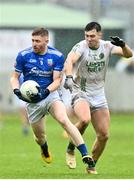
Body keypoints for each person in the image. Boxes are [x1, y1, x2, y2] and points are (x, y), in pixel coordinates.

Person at [10, 27, 97, 174]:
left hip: (50, 95)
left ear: (46, 41)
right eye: (32, 40)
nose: (34, 44)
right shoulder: (23, 55)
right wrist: (16, 90)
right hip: (33, 101)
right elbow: (14, 77)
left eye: (37, 41)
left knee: (64, 120)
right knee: (40, 137)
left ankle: (85, 154)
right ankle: (44, 148)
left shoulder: (56, 56)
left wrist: (46, 91)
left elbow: (57, 80)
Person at [63, 22, 133, 171]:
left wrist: (123, 45)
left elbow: (129, 55)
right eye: (87, 36)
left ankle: (91, 164)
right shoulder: (81, 46)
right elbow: (70, 60)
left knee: (104, 135)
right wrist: (69, 77)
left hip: (99, 94)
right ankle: (70, 148)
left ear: (99, 35)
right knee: (84, 119)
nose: (89, 39)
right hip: (80, 90)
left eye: (92, 36)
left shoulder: (106, 46)